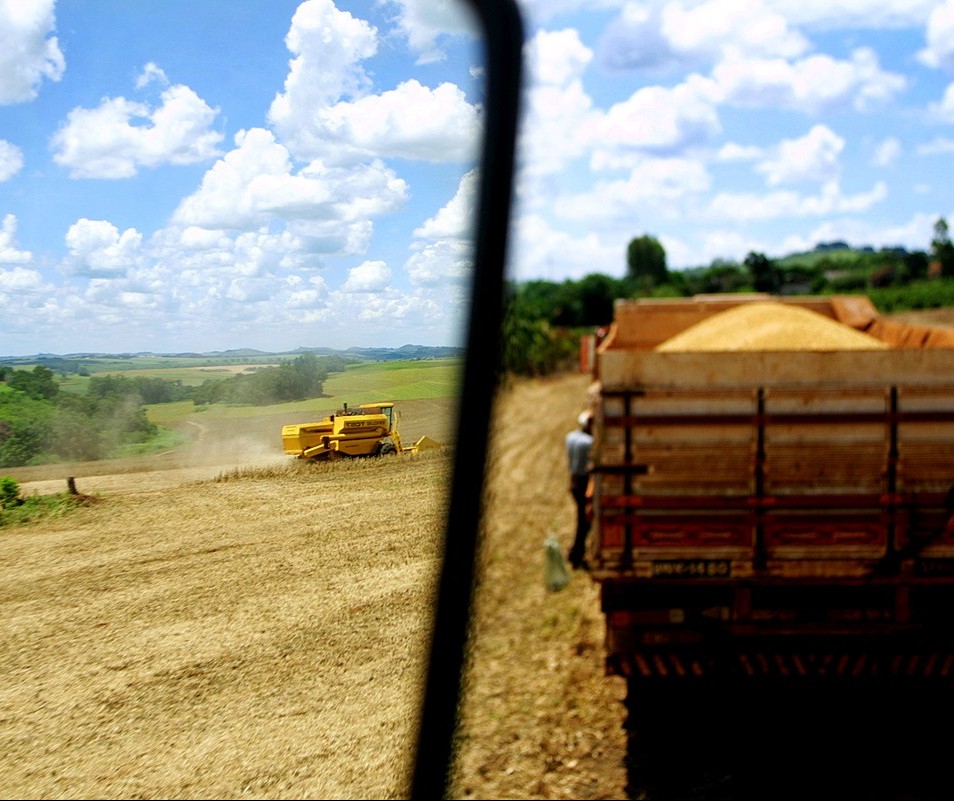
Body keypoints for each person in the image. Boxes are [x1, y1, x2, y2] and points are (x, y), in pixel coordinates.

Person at [565, 409, 594, 569]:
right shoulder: (588, 442)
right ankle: (576, 554)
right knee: (584, 521)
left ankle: (575, 552)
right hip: (584, 483)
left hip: (573, 481)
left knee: (581, 518)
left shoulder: (570, 437)